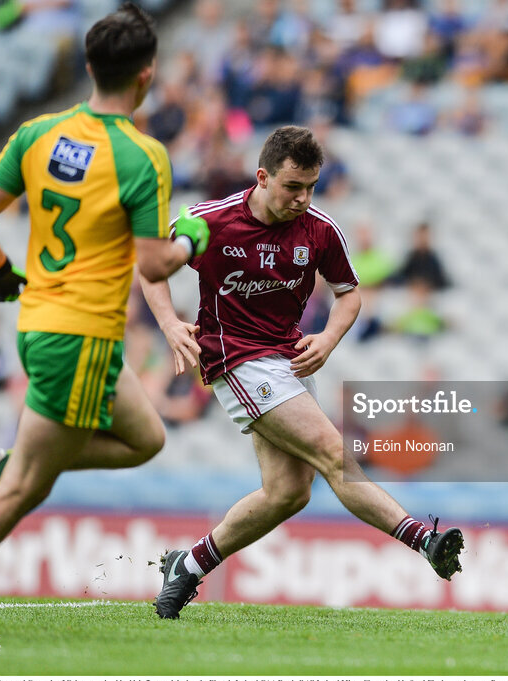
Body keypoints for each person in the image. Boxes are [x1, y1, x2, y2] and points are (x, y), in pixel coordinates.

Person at [0, 3, 210, 636]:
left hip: (37, 323)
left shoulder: (38, 134)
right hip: (81, 336)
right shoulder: (143, 156)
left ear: (89, 66)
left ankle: (0, 466)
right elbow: (154, 262)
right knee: (28, 489)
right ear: (147, 76)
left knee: (146, 438)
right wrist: (191, 239)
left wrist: (1, 272)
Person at [140, 125, 464, 619]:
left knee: (288, 493)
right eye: (293, 186)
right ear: (263, 177)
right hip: (237, 359)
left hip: (288, 360)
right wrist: (168, 322)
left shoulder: (319, 229)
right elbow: (151, 266)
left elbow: (349, 293)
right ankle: (424, 540)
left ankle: (187, 564)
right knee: (334, 453)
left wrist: (330, 338)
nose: (302, 198)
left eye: (311, 186)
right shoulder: (213, 222)